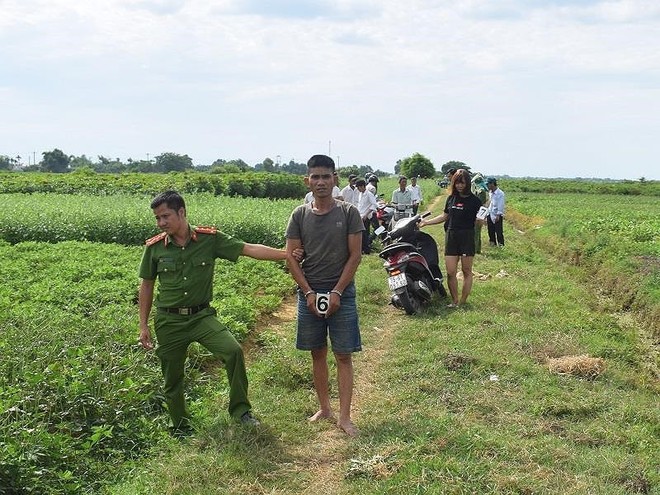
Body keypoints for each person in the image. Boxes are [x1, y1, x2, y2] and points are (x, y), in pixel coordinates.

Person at [138, 190, 295, 435]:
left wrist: (285, 254)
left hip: (201, 317)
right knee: (172, 375)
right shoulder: (155, 248)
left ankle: (241, 411)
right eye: (157, 218)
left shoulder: (209, 239)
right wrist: (143, 325)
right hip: (169, 320)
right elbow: (147, 285)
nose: (161, 223)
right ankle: (180, 425)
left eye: (165, 216)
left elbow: (248, 249)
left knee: (232, 351)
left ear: (181, 212)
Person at [285, 154, 364, 437]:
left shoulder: (348, 213)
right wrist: (307, 292)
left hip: (341, 294)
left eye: (325, 176)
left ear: (335, 180)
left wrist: (337, 292)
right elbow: (291, 258)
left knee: (343, 354)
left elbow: (355, 257)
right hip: (309, 294)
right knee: (317, 353)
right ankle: (325, 408)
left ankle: (345, 416)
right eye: (315, 177)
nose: (320, 182)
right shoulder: (299, 214)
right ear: (307, 180)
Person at [419, 169, 484, 307]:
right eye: (457, 183)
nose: (460, 186)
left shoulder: (475, 201)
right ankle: (454, 300)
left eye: (462, 183)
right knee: (450, 272)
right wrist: (426, 222)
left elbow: (480, 221)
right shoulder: (451, 199)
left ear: (467, 183)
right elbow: (444, 216)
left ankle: (463, 301)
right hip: (451, 236)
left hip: (467, 237)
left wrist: (480, 221)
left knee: (466, 271)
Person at [355, 178, 379, 254]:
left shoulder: (369, 194)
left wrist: (366, 214)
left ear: (362, 186)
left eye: (358, 187)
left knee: (366, 233)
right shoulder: (360, 194)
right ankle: (363, 248)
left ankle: (366, 249)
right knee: (362, 233)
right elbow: (360, 205)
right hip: (361, 216)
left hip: (367, 216)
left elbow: (374, 205)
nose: (358, 189)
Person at [471, 173, 489, 254]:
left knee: (476, 231)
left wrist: (480, 217)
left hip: (479, 214)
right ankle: (477, 249)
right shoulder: (481, 190)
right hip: (479, 213)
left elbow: (481, 205)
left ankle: (475, 249)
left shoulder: (481, 191)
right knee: (476, 231)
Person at [486, 177, 505, 247]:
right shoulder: (490, 193)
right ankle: (492, 243)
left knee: (499, 231)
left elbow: (501, 204)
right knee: (490, 230)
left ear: (492, 184)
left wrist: (498, 215)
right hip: (490, 213)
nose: (487, 186)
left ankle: (501, 245)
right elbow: (490, 203)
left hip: (497, 214)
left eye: (488, 184)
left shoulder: (500, 193)